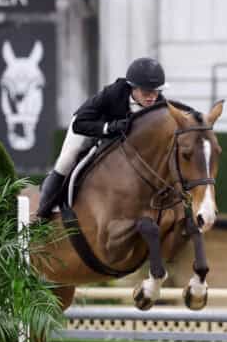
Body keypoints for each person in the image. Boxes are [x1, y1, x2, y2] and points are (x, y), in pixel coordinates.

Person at [36, 56, 168, 220]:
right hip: (90, 127)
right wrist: (108, 127)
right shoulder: (112, 93)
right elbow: (80, 123)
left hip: (122, 138)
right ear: (132, 88)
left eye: (156, 91)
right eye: (146, 92)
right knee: (67, 159)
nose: (152, 97)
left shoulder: (158, 103)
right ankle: (44, 210)